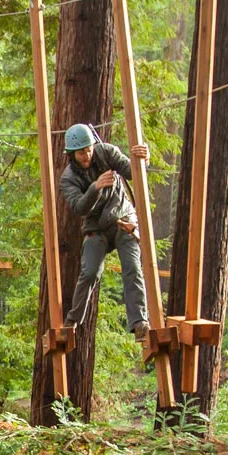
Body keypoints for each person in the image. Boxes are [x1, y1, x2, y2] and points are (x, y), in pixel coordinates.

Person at [60, 123, 150, 339]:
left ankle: (140, 323)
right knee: (90, 272)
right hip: (96, 229)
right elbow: (80, 207)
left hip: (122, 220)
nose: (87, 155)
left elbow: (132, 172)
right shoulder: (68, 178)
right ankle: (72, 321)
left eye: (89, 149)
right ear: (72, 154)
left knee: (132, 268)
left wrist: (144, 160)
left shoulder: (106, 152)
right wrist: (95, 187)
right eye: (82, 152)